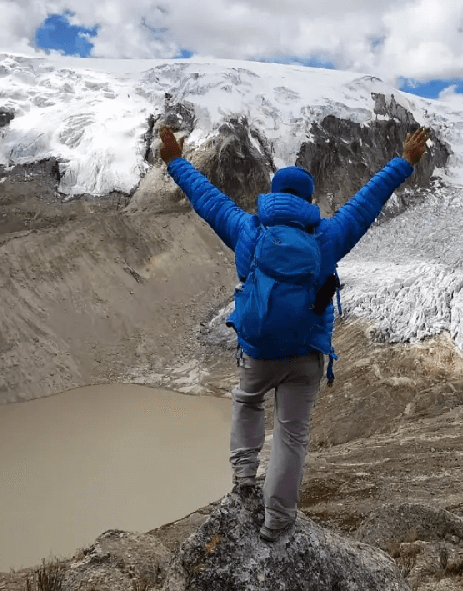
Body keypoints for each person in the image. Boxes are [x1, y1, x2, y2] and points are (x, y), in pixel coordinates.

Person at [158, 124, 431, 542]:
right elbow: (367, 202)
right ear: (307, 200)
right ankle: (278, 523)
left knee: (248, 401)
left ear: (273, 195)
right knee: (291, 435)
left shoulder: (248, 230)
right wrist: (405, 161)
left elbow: (206, 198)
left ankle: (244, 479)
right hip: (306, 354)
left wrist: (176, 161)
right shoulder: (326, 237)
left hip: (258, 349)